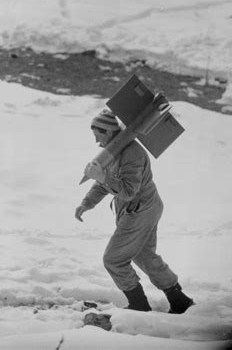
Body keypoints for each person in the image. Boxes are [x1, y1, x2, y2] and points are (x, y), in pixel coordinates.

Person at [75, 109, 193, 314]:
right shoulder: (113, 151)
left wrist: (103, 177)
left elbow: (128, 191)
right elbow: (104, 181)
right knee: (145, 256)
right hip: (140, 209)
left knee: (114, 259)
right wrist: (86, 203)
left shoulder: (132, 153)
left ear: (110, 132)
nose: (96, 142)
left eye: (98, 136)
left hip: (141, 210)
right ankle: (179, 300)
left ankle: (138, 304)